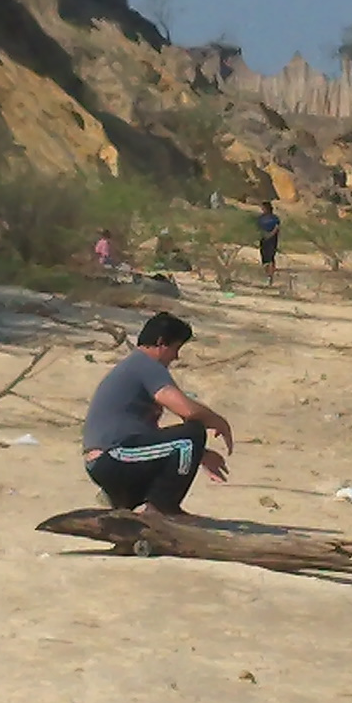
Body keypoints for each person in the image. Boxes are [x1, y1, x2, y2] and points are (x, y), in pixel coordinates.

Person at [81, 312, 232, 515]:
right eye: (176, 348)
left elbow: (152, 440)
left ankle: (127, 501)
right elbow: (186, 410)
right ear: (161, 343)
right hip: (114, 457)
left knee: (185, 443)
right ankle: (163, 509)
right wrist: (218, 421)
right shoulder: (146, 365)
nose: (176, 357)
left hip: (111, 459)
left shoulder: (134, 365)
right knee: (192, 434)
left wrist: (200, 454)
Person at [254, 200, 281, 284]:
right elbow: (258, 228)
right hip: (263, 238)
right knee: (264, 256)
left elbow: (277, 228)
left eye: (263, 208)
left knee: (271, 256)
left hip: (272, 239)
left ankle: (271, 275)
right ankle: (267, 275)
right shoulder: (260, 218)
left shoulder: (274, 218)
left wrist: (270, 234)